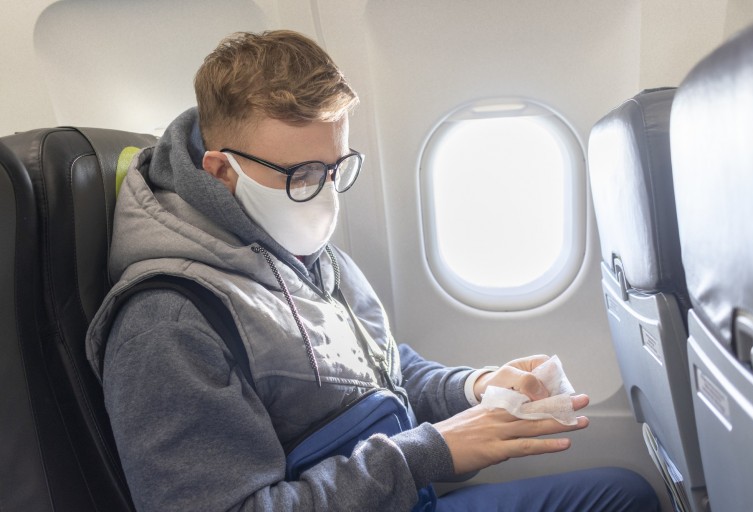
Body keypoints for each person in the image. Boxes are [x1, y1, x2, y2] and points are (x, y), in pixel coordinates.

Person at [86, 30, 660, 511]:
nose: (325, 195)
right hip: (392, 490)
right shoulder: (166, 324)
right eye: (303, 174)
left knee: (627, 494)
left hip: (399, 494)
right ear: (220, 171)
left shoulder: (292, 243)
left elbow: (377, 372)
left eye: (338, 168)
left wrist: (474, 388)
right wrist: (431, 451)